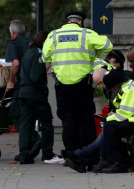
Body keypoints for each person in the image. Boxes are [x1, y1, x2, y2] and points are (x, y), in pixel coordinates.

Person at [42, 12, 113, 153]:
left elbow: (45, 57)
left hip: (61, 85)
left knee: (68, 121)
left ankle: (71, 154)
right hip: (83, 85)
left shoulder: (54, 35)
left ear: (67, 21)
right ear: (80, 22)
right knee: (86, 120)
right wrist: (96, 57)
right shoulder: (86, 34)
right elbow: (108, 45)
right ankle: (88, 155)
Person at [19, 31, 61, 164]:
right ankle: (47, 154)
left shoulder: (28, 52)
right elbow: (36, 76)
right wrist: (44, 89)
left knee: (26, 125)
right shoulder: (38, 54)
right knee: (47, 124)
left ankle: (24, 154)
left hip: (24, 93)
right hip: (36, 95)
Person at [5, 20, 41, 160]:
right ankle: (30, 146)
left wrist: (11, 80)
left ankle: (32, 140)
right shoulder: (32, 43)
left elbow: (15, 63)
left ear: (12, 32)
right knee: (30, 114)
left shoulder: (14, 43)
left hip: (22, 84)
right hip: (36, 83)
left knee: (15, 112)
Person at [93, 69, 134, 173]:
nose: (111, 91)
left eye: (111, 89)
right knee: (110, 126)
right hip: (130, 119)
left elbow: (124, 114)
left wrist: (107, 118)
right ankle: (107, 160)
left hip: (131, 119)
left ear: (116, 86)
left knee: (110, 127)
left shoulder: (129, 90)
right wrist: (113, 115)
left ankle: (117, 163)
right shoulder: (127, 87)